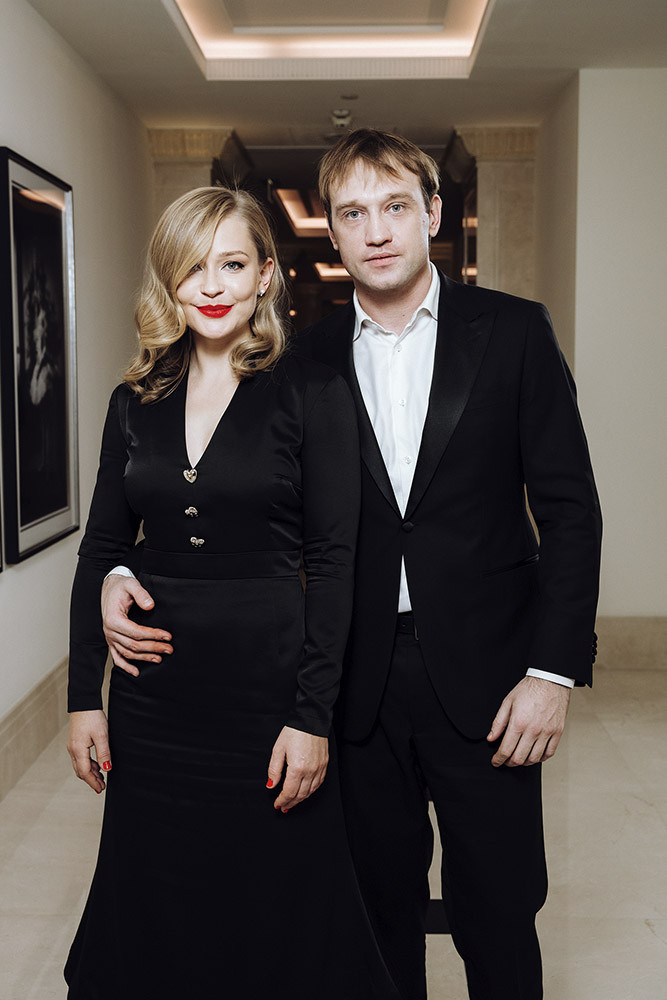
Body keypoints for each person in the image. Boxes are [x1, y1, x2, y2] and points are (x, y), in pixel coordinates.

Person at [101, 131, 602, 1000]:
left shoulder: (514, 333)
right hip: (351, 682)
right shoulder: (299, 360)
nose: (375, 231)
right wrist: (119, 570)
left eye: (395, 207)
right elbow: (224, 498)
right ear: (329, 231)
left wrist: (550, 672)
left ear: (432, 213)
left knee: (499, 908)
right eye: (352, 213)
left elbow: (569, 514)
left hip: (489, 680)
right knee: (373, 914)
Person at [65, 185, 400, 999]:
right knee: (157, 897)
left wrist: (311, 718)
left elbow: (334, 562)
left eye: (232, 265)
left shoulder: (312, 393)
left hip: (268, 695)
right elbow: (103, 545)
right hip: (153, 699)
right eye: (192, 268)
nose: (212, 287)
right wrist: (83, 698)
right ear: (168, 281)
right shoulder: (134, 401)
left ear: (264, 277)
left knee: (277, 903)